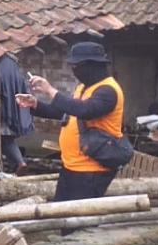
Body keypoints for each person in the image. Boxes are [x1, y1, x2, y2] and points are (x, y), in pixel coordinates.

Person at [15, 42, 124, 201]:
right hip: (71, 165)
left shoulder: (108, 90)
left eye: (76, 66)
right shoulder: (83, 87)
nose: (74, 70)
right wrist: (35, 104)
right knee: (62, 211)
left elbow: (85, 110)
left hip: (92, 170)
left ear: (92, 65)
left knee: (79, 214)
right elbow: (64, 111)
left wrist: (50, 90)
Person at [0, 54, 34, 175]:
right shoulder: (14, 67)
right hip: (14, 109)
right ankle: (16, 165)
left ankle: (19, 163)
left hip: (3, 111)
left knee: (5, 140)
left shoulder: (0, 66)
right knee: (7, 140)